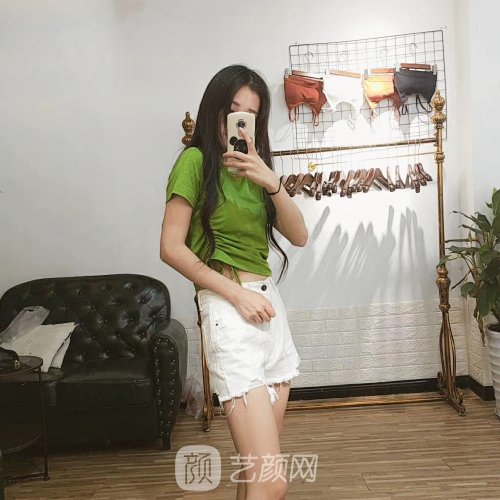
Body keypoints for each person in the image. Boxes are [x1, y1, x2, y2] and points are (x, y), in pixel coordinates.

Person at [160, 64, 307, 500]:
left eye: (251, 115)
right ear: (215, 111)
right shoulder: (194, 162)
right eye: (233, 110)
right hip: (230, 308)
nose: (240, 122)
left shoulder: (257, 172)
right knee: (271, 481)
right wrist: (236, 295)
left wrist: (272, 181)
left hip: (270, 310)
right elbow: (171, 247)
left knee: (253, 474)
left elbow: (299, 235)